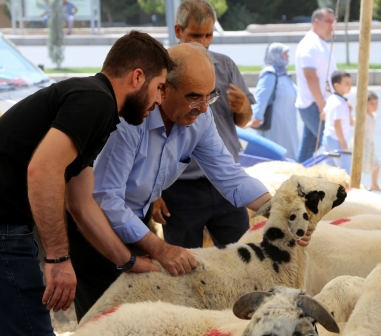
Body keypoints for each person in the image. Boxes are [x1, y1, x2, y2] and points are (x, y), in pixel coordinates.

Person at [0, 31, 175, 336]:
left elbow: (80, 202)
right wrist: (59, 258)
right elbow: (43, 170)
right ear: (137, 77)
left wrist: (127, 260)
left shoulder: (93, 101)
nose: (160, 100)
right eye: (160, 87)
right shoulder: (96, 101)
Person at [70, 43, 285, 320]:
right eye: (194, 97)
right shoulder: (130, 120)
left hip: (136, 219)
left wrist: (278, 210)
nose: (203, 108)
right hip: (93, 227)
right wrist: (159, 248)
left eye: (210, 96)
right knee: (101, 321)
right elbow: (105, 199)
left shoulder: (201, 118)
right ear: (163, 89)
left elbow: (228, 174)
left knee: (136, 317)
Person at [153, 0, 255, 249]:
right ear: (178, 31)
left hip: (224, 181)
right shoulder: (160, 72)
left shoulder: (226, 66)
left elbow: (244, 121)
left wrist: (243, 108)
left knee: (243, 258)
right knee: (184, 266)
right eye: (195, 35)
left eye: (208, 35)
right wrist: (153, 193)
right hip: (180, 188)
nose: (203, 43)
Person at [295, 8, 337, 164]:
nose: (332, 25)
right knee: (332, 143)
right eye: (328, 21)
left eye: (334, 21)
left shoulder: (320, 43)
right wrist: (322, 106)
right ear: (316, 22)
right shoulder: (310, 44)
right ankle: (339, 180)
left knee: (310, 147)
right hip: (314, 104)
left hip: (318, 104)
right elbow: (310, 76)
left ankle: (296, 179)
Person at [246, 43, 298, 160]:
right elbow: (261, 96)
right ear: (275, 55)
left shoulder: (284, 74)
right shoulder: (269, 73)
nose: (287, 57)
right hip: (276, 123)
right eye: (284, 54)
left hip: (289, 123)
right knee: (278, 154)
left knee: (289, 152)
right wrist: (257, 117)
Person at [322, 71, 353, 173]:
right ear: (337, 85)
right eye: (347, 83)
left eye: (350, 83)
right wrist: (343, 144)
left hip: (327, 137)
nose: (350, 86)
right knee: (345, 168)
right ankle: (347, 188)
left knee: (330, 168)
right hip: (337, 140)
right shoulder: (340, 104)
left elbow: (323, 115)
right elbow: (337, 124)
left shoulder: (331, 99)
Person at [361, 91, 381, 192]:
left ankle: (374, 184)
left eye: (376, 103)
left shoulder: (374, 115)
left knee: (376, 164)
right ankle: (357, 185)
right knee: (359, 165)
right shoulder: (363, 116)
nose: (375, 106)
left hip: (370, 144)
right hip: (362, 143)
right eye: (371, 103)